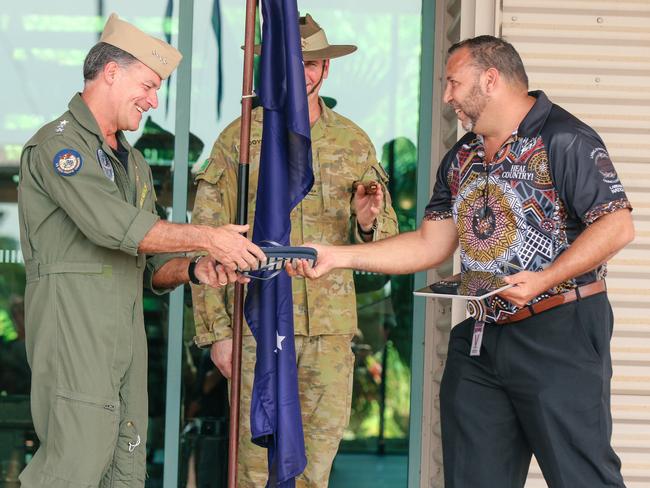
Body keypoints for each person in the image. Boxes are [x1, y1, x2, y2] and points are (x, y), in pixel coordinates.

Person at [289, 35, 635, 488]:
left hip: (561, 330)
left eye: (454, 83)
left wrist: (543, 278)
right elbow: (432, 245)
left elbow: (616, 226)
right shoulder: (462, 157)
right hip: (481, 339)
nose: (447, 95)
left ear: (490, 79)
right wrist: (337, 256)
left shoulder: (565, 139)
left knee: (581, 478)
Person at [17, 13, 264, 488]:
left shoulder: (133, 164)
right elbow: (113, 227)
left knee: (125, 465)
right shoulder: (58, 146)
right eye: (148, 86)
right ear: (111, 72)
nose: (153, 101)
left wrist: (195, 269)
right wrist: (208, 236)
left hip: (124, 336)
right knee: (72, 467)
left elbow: (151, 265)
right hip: (75, 331)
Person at [190, 13, 398, 487]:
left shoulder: (353, 140)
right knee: (254, 469)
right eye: (292, 61)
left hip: (328, 335)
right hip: (256, 330)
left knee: (313, 471)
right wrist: (218, 333)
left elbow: (385, 244)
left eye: (313, 63)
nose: (303, 72)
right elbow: (205, 238)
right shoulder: (239, 139)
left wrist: (367, 223)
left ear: (327, 69)